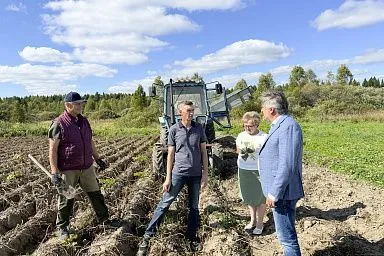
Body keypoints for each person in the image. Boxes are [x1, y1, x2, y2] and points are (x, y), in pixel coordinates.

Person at [137, 100, 209, 255]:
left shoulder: (199, 129)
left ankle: (191, 237)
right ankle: (147, 237)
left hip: (196, 175)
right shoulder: (174, 130)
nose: (191, 113)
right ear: (180, 112)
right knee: (165, 204)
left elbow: (204, 152)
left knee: (194, 208)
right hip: (178, 174)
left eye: (192, 110)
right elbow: (170, 154)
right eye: (188, 110)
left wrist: (205, 174)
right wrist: (168, 177)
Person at [48, 91, 115, 240]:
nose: (81, 106)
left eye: (81, 103)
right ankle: (62, 228)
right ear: (68, 105)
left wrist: (97, 159)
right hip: (68, 169)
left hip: (86, 167)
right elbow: (52, 150)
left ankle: (105, 221)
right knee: (67, 198)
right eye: (77, 103)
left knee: (96, 195)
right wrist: (55, 172)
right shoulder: (58, 123)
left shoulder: (84, 121)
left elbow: (90, 142)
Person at [258, 91, 304, 256]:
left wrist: (274, 193)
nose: (261, 111)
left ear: (271, 109)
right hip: (281, 192)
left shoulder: (288, 126)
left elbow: (288, 164)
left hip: (283, 193)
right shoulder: (280, 125)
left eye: (262, 107)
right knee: (285, 236)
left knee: (287, 239)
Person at [236, 111, 268, 235]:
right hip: (244, 170)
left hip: (259, 170)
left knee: (260, 198)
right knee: (249, 197)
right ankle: (252, 220)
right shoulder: (241, 136)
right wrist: (247, 150)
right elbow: (238, 150)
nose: (247, 128)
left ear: (257, 124)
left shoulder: (264, 137)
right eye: (245, 125)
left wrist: (250, 151)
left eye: (250, 126)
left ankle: (260, 223)